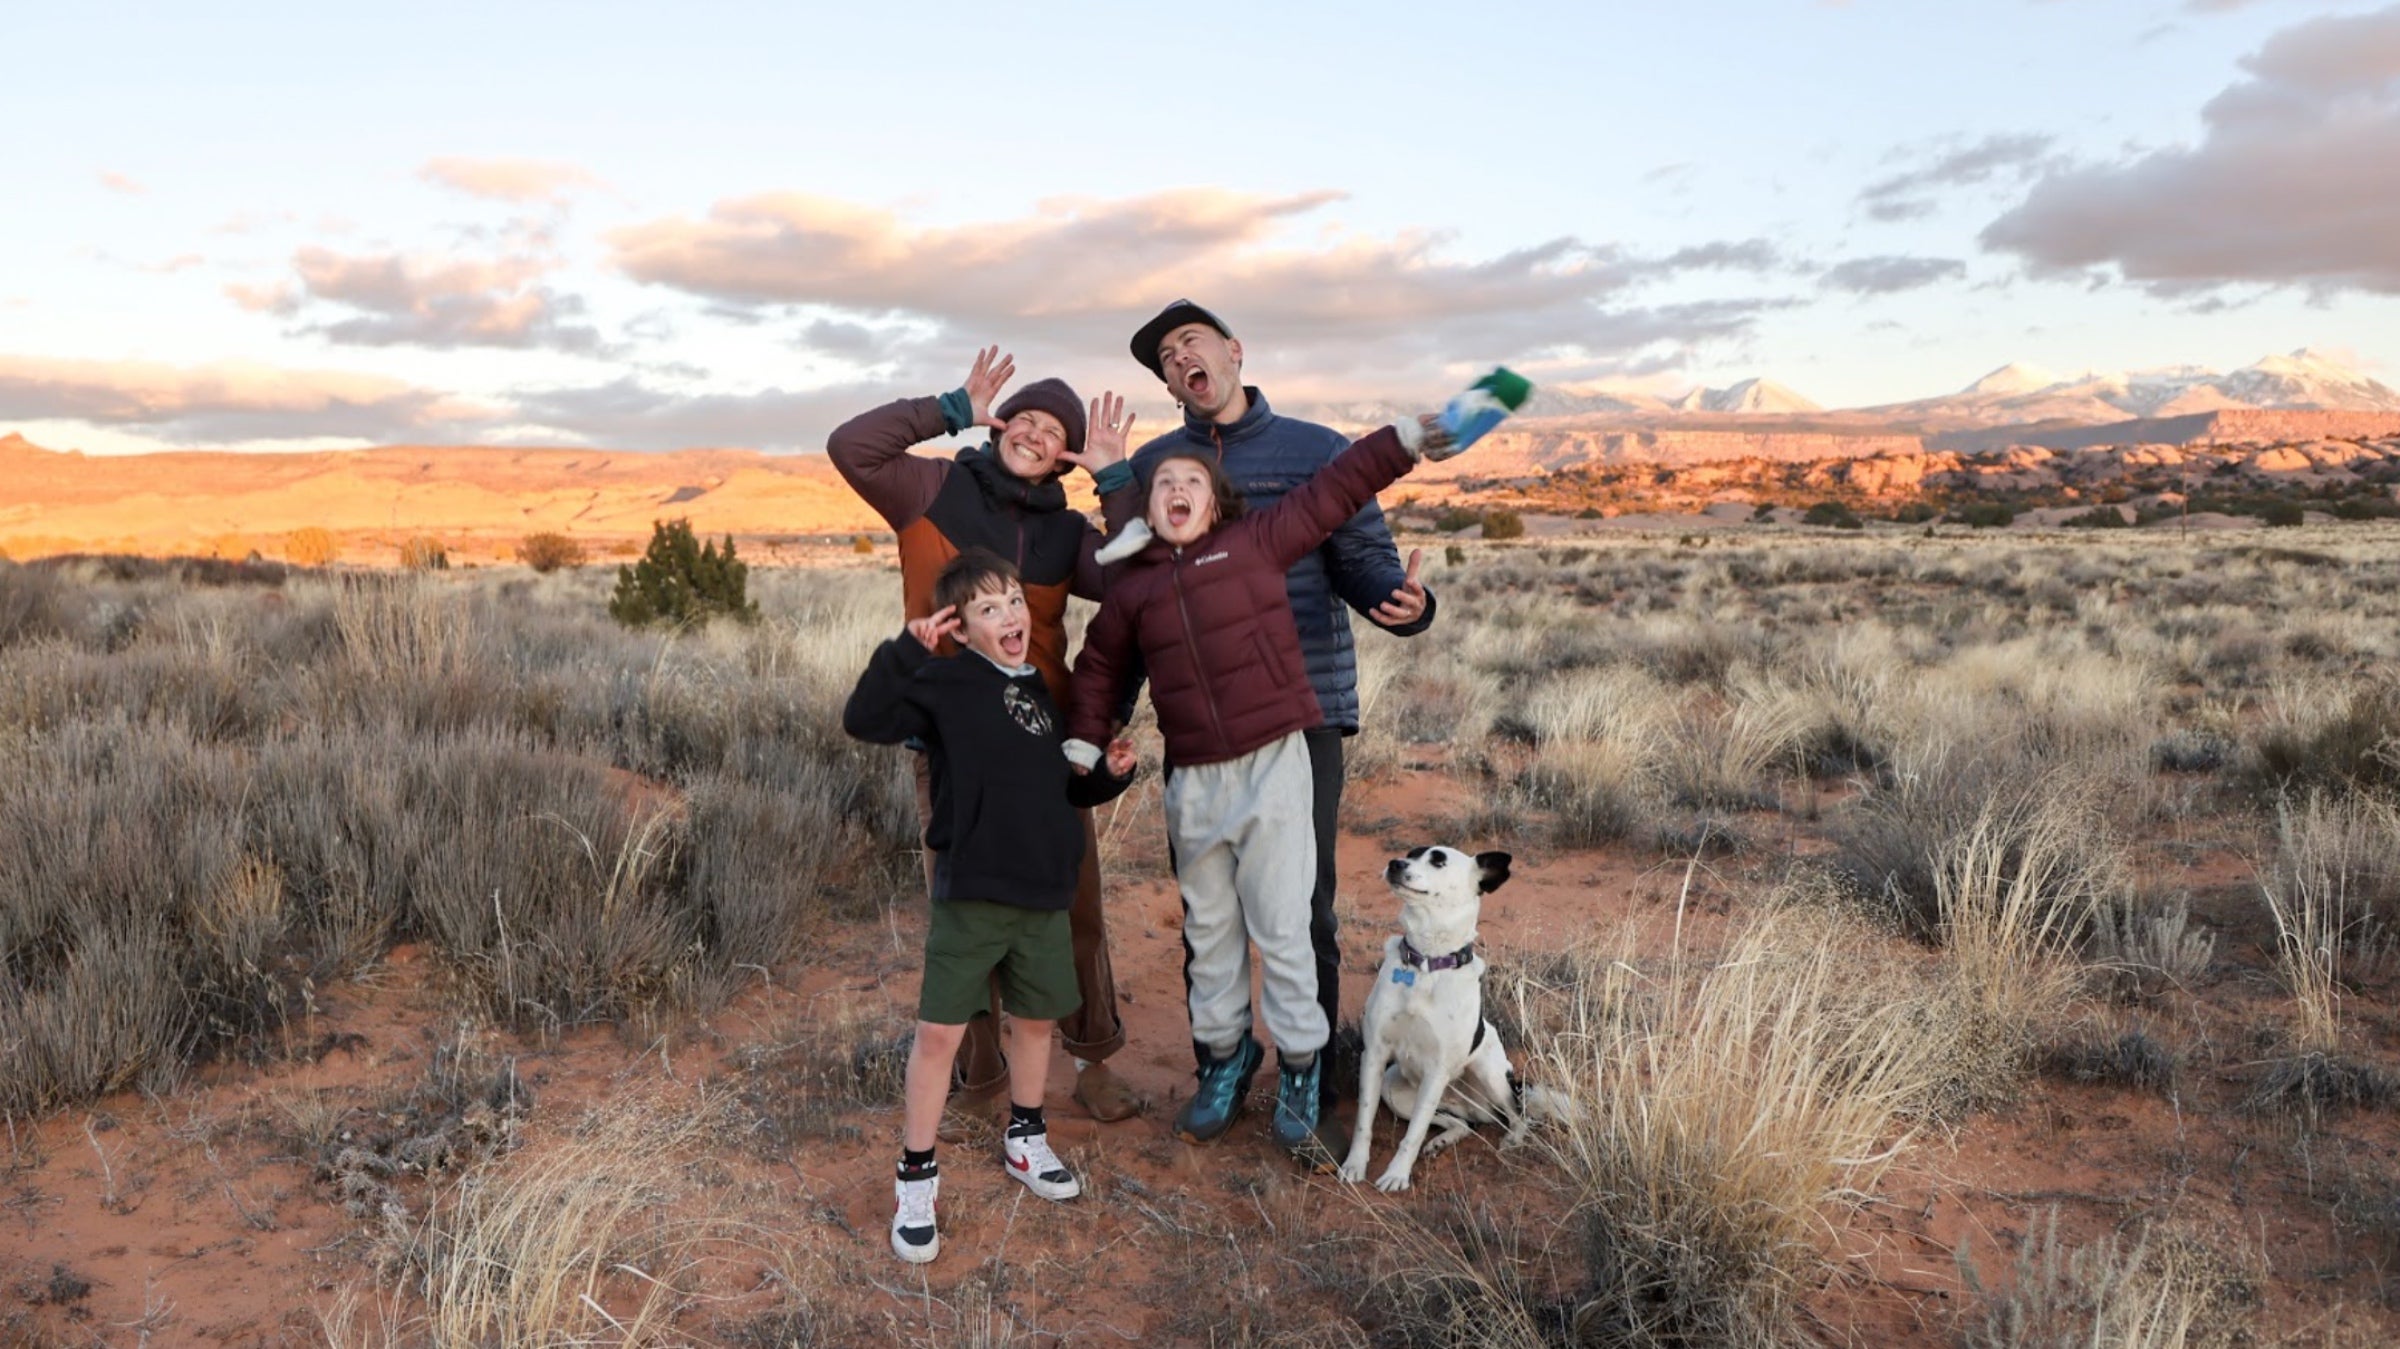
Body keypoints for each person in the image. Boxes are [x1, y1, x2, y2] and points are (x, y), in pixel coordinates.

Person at [1067, 410, 1463, 1163]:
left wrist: (1404, 438)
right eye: (1163, 485)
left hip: (1274, 764)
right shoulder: (1134, 588)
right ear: (1147, 510)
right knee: (1210, 931)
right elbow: (1099, 667)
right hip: (1193, 779)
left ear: (1215, 504)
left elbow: (1337, 488)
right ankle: (1224, 1059)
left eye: (1192, 482)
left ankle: (1304, 1070)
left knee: (1283, 928)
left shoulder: (1255, 543)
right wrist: (1085, 740)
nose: (1176, 489)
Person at [1107, 300, 1436, 1110]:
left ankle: (1310, 1076)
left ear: (1234, 351)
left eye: (1194, 341)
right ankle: (1220, 1065)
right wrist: (1106, 716)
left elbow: (1361, 559)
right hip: (1198, 720)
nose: (1182, 356)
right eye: (1167, 355)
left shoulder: (1314, 451)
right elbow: (1131, 593)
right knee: (1207, 907)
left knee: (1304, 906)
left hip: (1305, 708)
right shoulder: (1156, 466)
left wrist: (1401, 602)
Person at [829, 349, 1145, 1124]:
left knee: (1073, 905)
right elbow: (851, 446)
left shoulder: (1068, 533)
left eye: (1055, 431)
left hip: (1047, 743)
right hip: (949, 742)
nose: (1035, 434)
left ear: (1065, 452)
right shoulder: (931, 488)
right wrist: (950, 406)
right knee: (963, 912)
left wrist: (1114, 477)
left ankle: (1093, 1058)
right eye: (1026, 418)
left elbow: (1143, 572)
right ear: (1002, 422)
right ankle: (977, 1080)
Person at [844, 549, 1139, 1264]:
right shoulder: (943, 683)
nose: (1008, 614)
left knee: (1036, 1021)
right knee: (940, 1035)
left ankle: (1026, 1140)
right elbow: (864, 717)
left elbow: (1060, 794)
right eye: (987, 608)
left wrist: (1109, 779)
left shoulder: (1038, 689)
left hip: (1042, 893)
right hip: (973, 895)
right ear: (962, 629)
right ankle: (917, 1175)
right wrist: (901, 653)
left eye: (1012, 600)